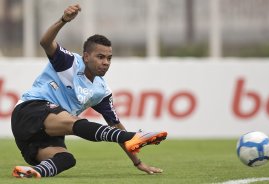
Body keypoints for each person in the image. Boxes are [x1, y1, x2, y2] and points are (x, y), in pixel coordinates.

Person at [11, 4, 167, 178]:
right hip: (29, 111)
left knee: (66, 159)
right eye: (100, 57)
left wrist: (137, 162)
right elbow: (45, 42)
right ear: (86, 56)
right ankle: (134, 135)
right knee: (75, 122)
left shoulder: (101, 91)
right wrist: (63, 20)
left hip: (39, 135)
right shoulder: (68, 62)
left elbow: (115, 125)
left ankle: (33, 172)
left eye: (109, 58)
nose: (106, 62)